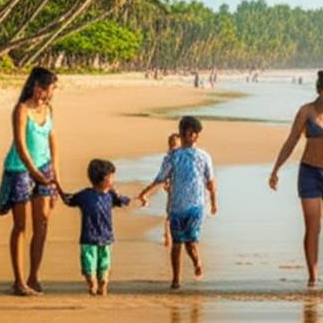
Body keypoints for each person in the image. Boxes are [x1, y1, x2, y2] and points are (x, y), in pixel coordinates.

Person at [269, 70, 323, 287]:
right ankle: (313, 274)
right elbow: (291, 141)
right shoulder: (306, 112)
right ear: (321, 90)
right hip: (310, 172)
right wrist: (276, 169)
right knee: (312, 226)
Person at [0, 67, 61, 297]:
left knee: (42, 223)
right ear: (38, 87)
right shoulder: (21, 110)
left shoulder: (48, 109)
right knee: (21, 227)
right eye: (51, 87)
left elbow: (53, 141)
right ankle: (19, 281)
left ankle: (34, 276)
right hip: (20, 169)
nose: (52, 92)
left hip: (44, 168)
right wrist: (35, 173)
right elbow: (21, 147)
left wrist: (55, 176)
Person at [138, 116, 217, 289]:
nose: (189, 136)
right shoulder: (172, 157)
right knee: (177, 244)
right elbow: (161, 178)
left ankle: (197, 261)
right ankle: (176, 279)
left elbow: (210, 181)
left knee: (190, 243)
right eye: (186, 132)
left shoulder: (204, 157)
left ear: (197, 136)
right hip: (176, 207)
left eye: (192, 133)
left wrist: (213, 201)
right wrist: (146, 193)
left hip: (196, 206)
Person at [61, 159, 130, 296]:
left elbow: (69, 200)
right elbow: (123, 202)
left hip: (93, 237)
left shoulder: (90, 195)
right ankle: (97, 283)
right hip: (100, 237)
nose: (113, 180)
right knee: (100, 263)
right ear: (105, 178)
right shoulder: (105, 195)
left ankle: (96, 284)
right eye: (112, 177)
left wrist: (118, 194)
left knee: (91, 263)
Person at [162, 132, 183, 247]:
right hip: (172, 188)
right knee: (169, 213)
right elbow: (165, 173)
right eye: (171, 144)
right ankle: (167, 235)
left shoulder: (183, 158)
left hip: (182, 190)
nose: (172, 146)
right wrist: (166, 183)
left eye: (175, 144)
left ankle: (178, 234)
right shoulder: (168, 158)